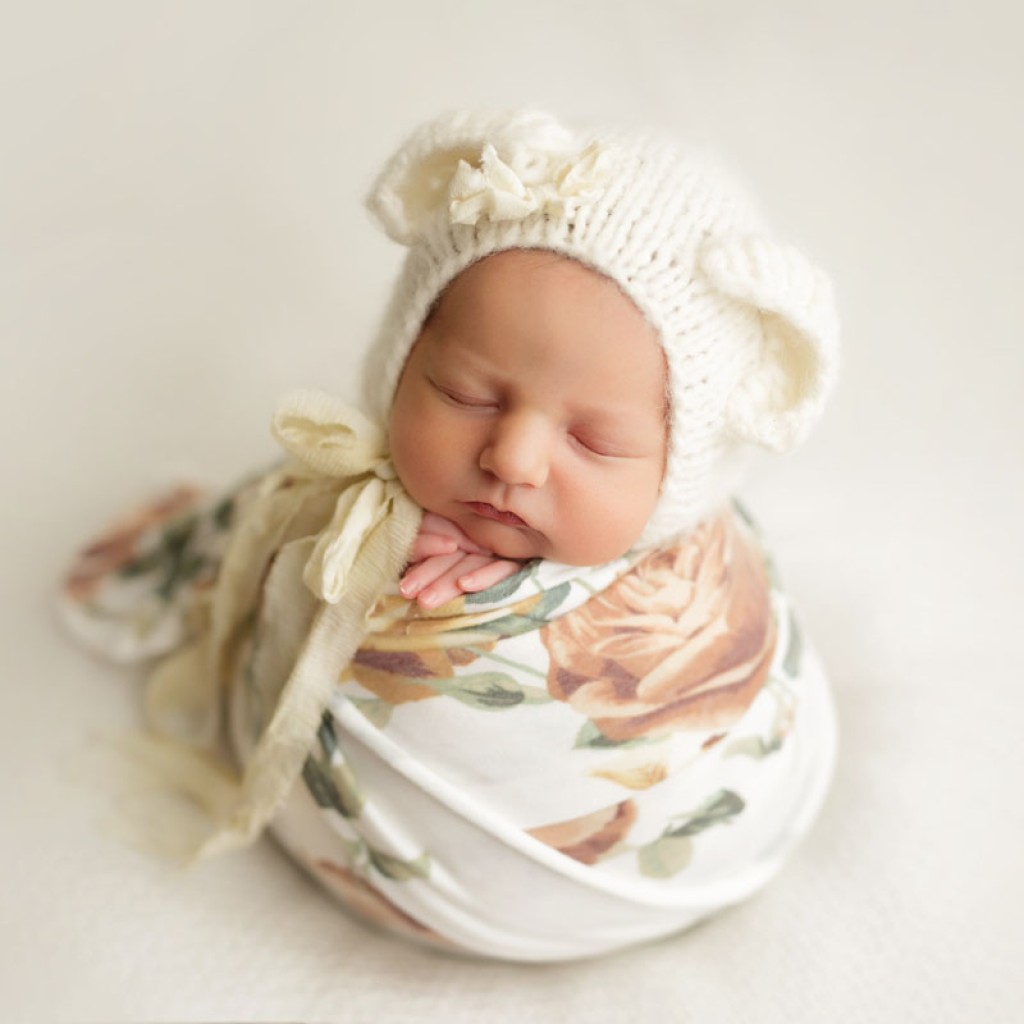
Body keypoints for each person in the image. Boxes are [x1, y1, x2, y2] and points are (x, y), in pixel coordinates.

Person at [60, 108, 840, 961]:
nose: (513, 458)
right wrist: (377, 539)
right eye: (469, 393)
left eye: (593, 441)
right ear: (400, 363)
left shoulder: (698, 600)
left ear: (680, 476)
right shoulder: (333, 507)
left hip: (668, 857)